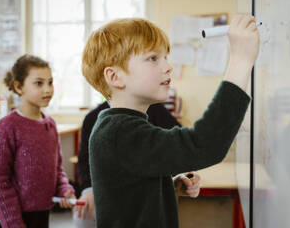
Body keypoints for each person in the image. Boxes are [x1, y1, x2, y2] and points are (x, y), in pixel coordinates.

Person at [81, 15, 260, 227]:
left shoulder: (121, 125)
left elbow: (128, 191)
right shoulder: (120, 132)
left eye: (165, 57)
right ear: (115, 77)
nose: (168, 66)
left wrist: (169, 185)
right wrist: (241, 60)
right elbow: (204, 144)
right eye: (153, 58)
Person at [73, 101, 201, 227]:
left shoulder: (156, 109)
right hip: (111, 195)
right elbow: (84, 160)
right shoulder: (93, 118)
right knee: (82, 217)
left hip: (147, 196)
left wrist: (179, 175)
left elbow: (179, 145)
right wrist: (88, 189)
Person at [0, 55, 76, 228]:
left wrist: (64, 189)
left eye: (50, 82)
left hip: (41, 213)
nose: (48, 89)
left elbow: (57, 169)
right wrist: (13, 222)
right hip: (13, 217)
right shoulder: (7, 126)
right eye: (39, 83)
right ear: (19, 87)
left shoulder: (50, 124)